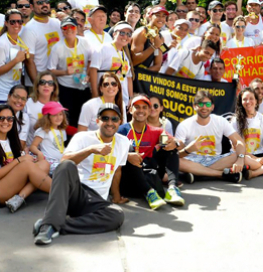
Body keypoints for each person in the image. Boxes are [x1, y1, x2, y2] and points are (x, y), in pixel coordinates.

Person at [33, 103, 132, 245]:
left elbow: (117, 171)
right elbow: (64, 162)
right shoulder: (83, 138)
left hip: (98, 201)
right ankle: (48, 227)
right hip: (78, 193)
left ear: (120, 122)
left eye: (114, 119)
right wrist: (90, 150)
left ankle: (55, 224)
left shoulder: (123, 143)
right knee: (66, 166)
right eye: (105, 118)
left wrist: (116, 197)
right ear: (97, 121)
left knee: (117, 215)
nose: (110, 123)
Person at [0, 104, 51, 213]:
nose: (5, 122)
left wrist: (27, 159)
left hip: (7, 182)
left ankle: (19, 198)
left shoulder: (12, 140)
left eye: (10, 119)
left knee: (44, 164)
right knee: (26, 165)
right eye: (1, 118)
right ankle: (62, 193)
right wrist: (20, 160)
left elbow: (21, 165)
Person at [115, 95, 184, 208]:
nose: (141, 110)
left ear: (148, 110)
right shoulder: (121, 130)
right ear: (130, 110)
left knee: (170, 147)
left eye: (144, 107)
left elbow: (178, 143)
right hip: (128, 176)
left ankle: (172, 189)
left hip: (146, 171)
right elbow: (109, 152)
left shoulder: (156, 131)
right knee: (130, 150)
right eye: (137, 107)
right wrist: (126, 156)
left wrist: (175, 142)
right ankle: (149, 192)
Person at [174, 90, 246, 183]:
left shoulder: (220, 121)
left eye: (207, 104)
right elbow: (177, 154)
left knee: (239, 155)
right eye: (200, 104)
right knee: (177, 161)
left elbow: (239, 142)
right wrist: (188, 150)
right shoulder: (184, 125)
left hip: (215, 159)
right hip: (192, 160)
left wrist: (240, 158)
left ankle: (198, 174)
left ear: (212, 107)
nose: (204, 107)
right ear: (194, 106)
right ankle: (221, 175)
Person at [48, 17, 92, 125]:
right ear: (62, 31)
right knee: (69, 119)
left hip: (84, 86)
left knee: (84, 117)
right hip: (66, 88)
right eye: (65, 28)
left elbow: (92, 60)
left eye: (71, 27)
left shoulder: (85, 42)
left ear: (76, 28)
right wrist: (65, 72)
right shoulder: (57, 47)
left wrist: (88, 74)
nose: (68, 30)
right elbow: (50, 70)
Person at [0, 9, 28, 104]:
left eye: (19, 21)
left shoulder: (20, 41)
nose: (17, 25)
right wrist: (16, 60)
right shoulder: (2, 44)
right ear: (6, 23)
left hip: (13, 90)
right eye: (13, 22)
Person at [20, 0, 62, 87]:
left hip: (57, 81)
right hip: (39, 82)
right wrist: (37, 86)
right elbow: (28, 60)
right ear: (32, 7)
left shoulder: (57, 23)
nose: (44, 4)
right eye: (40, 2)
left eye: (46, 1)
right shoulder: (29, 29)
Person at [89, 21, 133, 106]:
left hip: (121, 101)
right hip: (103, 97)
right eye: (122, 33)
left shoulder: (125, 55)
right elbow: (93, 70)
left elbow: (128, 78)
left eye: (129, 34)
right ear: (114, 34)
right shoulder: (103, 48)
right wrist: (95, 94)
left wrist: (130, 98)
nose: (125, 36)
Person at [0, 85, 31, 149]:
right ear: (9, 96)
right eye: (16, 97)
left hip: (10, 153)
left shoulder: (25, 118)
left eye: (23, 99)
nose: (19, 101)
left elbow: (21, 144)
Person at [29, 101, 69, 176]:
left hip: (60, 161)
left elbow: (60, 146)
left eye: (60, 114)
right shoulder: (42, 130)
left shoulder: (62, 130)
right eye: (54, 115)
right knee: (65, 172)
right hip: (49, 162)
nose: (59, 117)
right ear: (47, 117)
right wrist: (39, 153)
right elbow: (33, 146)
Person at [130, 6, 167, 72]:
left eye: (163, 16)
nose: (161, 19)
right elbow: (133, 62)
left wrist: (144, 76)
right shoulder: (141, 32)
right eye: (157, 15)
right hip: (130, 74)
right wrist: (154, 46)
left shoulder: (161, 37)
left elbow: (157, 65)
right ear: (150, 17)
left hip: (142, 76)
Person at [26, 72, 59, 143]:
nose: (46, 85)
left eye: (50, 83)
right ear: (37, 86)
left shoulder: (57, 104)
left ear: (54, 87)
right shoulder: (28, 104)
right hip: (32, 149)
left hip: (52, 148)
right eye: (42, 82)